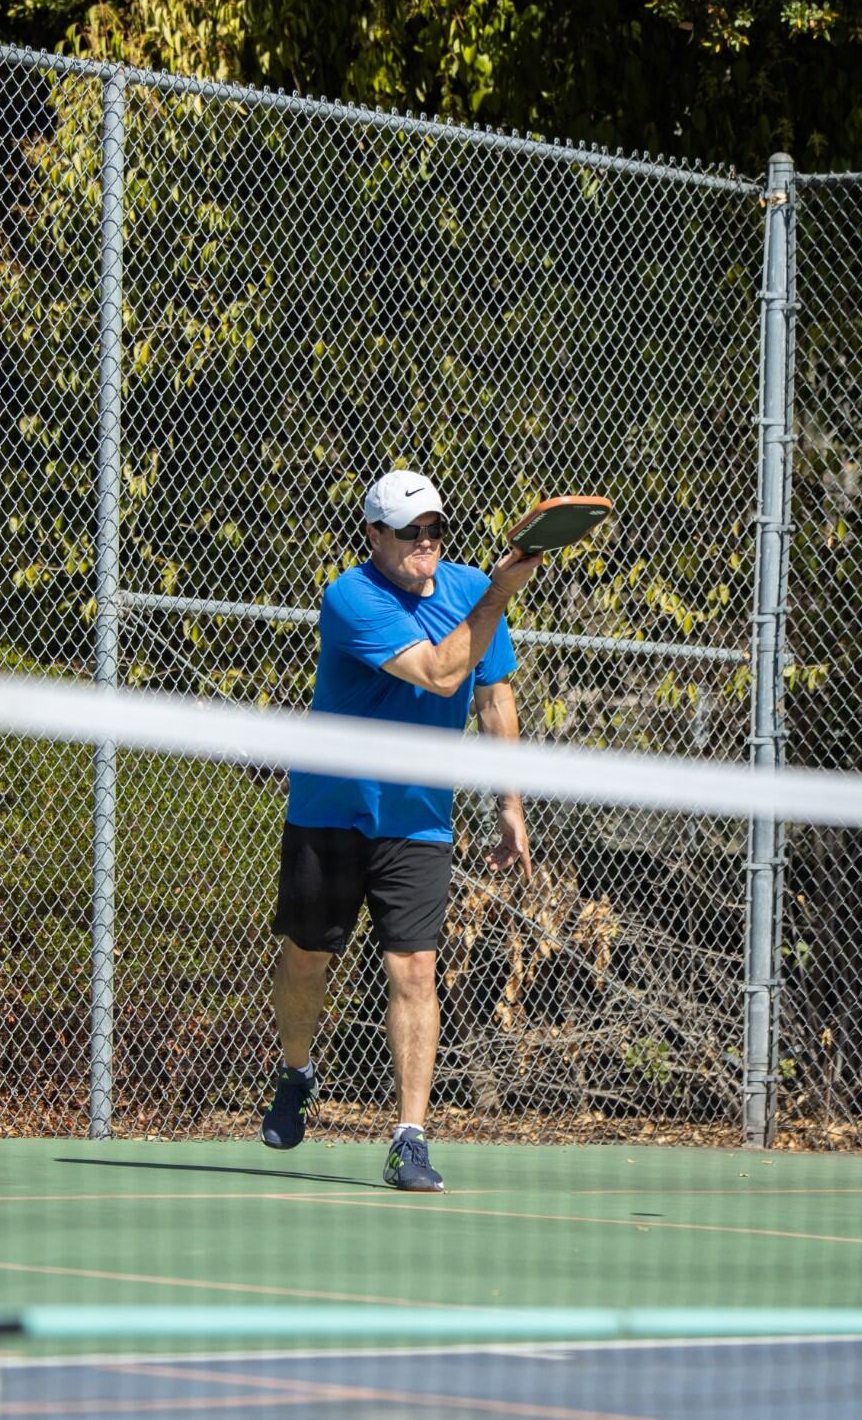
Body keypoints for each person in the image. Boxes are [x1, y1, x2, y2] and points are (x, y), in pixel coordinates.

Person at [260, 468, 540, 1192]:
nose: (426, 543)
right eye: (410, 532)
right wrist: (500, 594)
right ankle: (297, 1072)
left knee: (414, 969)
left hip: (418, 818)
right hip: (330, 809)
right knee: (305, 959)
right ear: (375, 536)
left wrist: (509, 802)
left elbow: (492, 692)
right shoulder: (349, 597)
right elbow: (444, 674)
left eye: (436, 529)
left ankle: (408, 1139)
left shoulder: (470, 588)